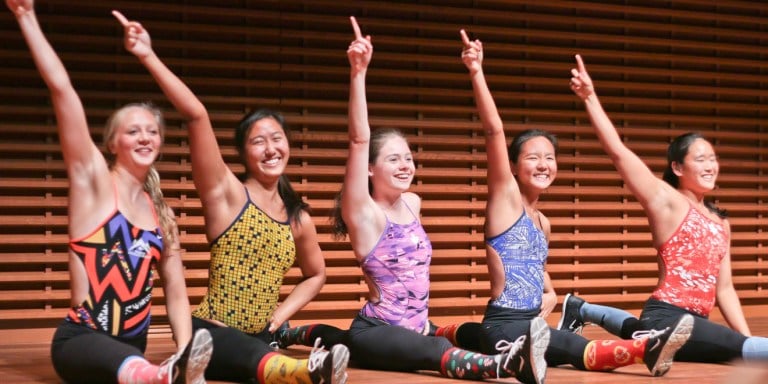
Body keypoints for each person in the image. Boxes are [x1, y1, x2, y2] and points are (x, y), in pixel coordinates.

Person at [290, 16, 548, 383]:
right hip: (377, 332)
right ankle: (506, 365)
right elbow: (358, 140)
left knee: (473, 333)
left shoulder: (413, 203)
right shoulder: (363, 213)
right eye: (393, 159)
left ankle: (290, 333)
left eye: (408, 157)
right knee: (436, 351)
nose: (405, 164)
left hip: (417, 327)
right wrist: (358, 73)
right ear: (369, 169)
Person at [112, 10, 349, 384]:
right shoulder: (227, 194)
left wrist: (279, 317)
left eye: (277, 139)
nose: (270, 149)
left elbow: (316, 273)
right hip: (211, 332)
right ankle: (307, 372)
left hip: (261, 337)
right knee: (243, 352)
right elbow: (196, 115)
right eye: (258, 141)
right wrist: (147, 55)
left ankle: (299, 365)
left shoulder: (297, 218)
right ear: (243, 154)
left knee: (257, 351)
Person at [459, 30, 695, 379]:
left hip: (532, 324)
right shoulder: (504, 201)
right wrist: (477, 71)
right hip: (503, 327)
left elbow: (535, 267)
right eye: (533, 157)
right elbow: (494, 131)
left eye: (550, 157)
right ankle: (645, 348)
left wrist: (550, 293)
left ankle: (642, 346)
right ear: (512, 165)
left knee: (564, 345)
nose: (544, 165)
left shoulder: (543, 222)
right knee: (570, 347)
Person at [8, 1, 214, 383]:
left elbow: (176, 293)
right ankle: (160, 377)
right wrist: (26, 16)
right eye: (133, 130)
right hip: (81, 340)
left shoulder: (161, 213)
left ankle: (172, 373)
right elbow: (62, 90)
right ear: (112, 142)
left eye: (152, 131)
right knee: (136, 369)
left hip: (131, 351)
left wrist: (188, 353)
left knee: (139, 365)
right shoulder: (94, 184)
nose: (145, 137)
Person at [559, 54, 768, 363]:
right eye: (700, 159)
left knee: (740, 347)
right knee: (742, 350)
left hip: (695, 325)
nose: (710, 165)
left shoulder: (721, 223)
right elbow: (618, 153)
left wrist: (746, 338)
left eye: (713, 158)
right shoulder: (668, 202)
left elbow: (725, 290)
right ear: (677, 167)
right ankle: (640, 334)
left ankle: (585, 311)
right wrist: (590, 98)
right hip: (667, 317)